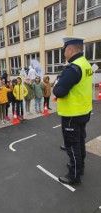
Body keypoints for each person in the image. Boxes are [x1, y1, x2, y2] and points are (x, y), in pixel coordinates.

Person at [53, 36, 93, 185]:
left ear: (69, 50)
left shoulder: (73, 68)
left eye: (64, 51)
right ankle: (80, 167)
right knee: (80, 141)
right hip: (84, 111)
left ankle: (74, 175)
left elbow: (59, 91)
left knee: (72, 145)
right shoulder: (86, 64)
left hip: (72, 114)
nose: (64, 54)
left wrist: (57, 85)